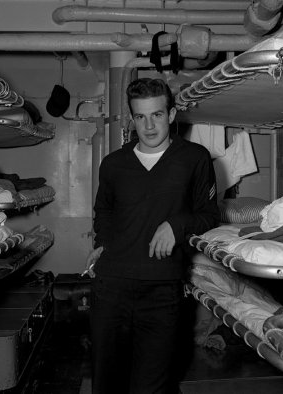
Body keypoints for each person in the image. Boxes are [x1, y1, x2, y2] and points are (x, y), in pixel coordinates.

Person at [85, 78, 220, 394]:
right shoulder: (114, 164)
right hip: (111, 288)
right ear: (132, 119)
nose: (148, 125)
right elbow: (103, 210)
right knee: (107, 384)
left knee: (154, 386)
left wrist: (177, 225)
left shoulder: (194, 158)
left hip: (162, 291)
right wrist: (101, 243)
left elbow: (210, 215)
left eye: (157, 115)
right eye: (140, 116)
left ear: (171, 115)